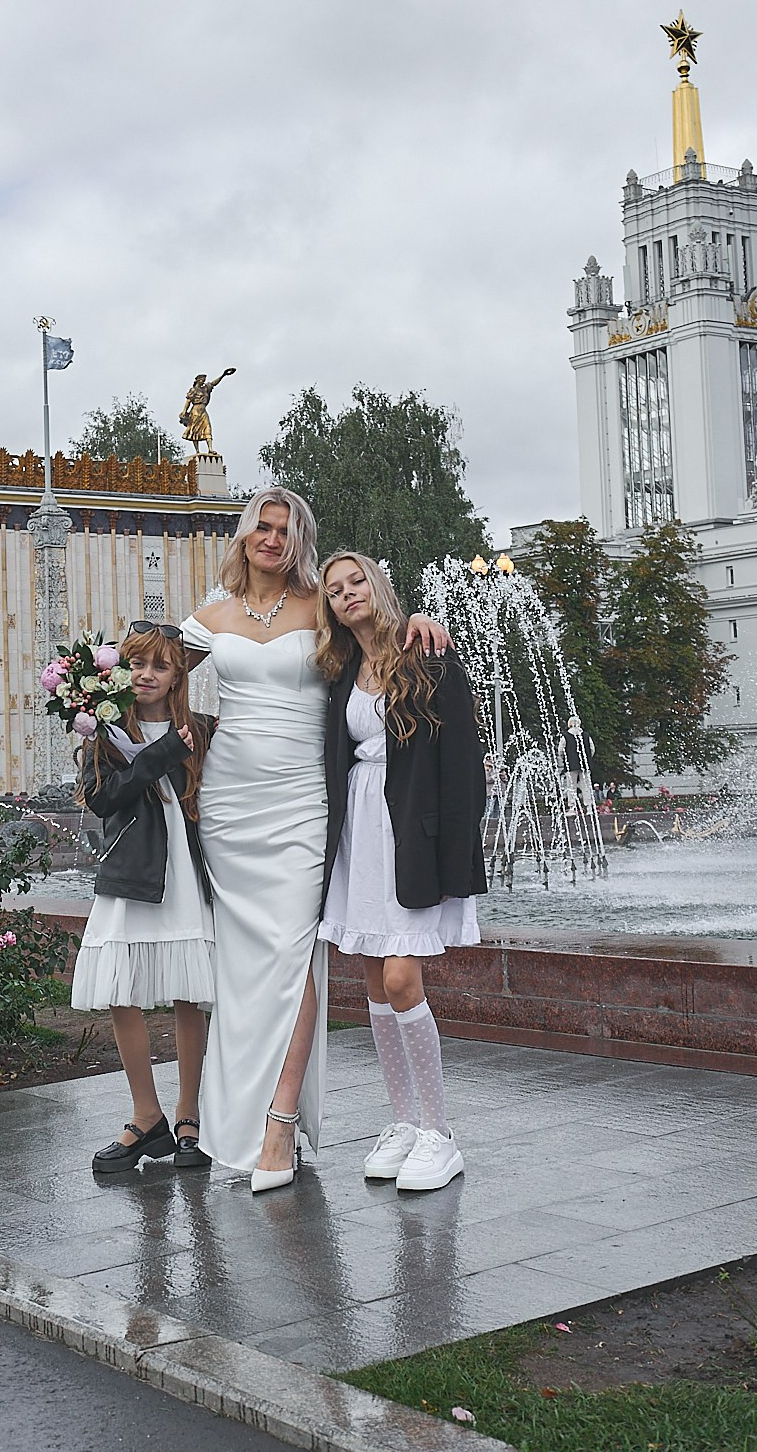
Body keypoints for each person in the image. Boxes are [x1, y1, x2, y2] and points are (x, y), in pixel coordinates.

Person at [180, 487, 447, 1190]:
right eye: (262, 527)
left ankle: (280, 1122)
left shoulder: (319, 607)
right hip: (231, 804)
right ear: (244, 536)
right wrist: (110, 703)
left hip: (304, 800)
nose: (273, 539)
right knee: (242, 968)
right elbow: (153, 675)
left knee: (296, 954)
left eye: (286, 529)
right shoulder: (210, 616)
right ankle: (223, 1119)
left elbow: (374, 626)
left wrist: (419, 618)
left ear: (301, 541)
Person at [316, 552, 485, 1194]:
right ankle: (405, 1122)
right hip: (358, 832)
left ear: (379, 585)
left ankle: (440, 1133)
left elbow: (464, 764)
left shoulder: (428, 656)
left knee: (401, 978)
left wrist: (455, 853)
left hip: (411, 831)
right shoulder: (341, 671)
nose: (347, 593)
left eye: (356, 580)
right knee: (372, 981)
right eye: (335, 589)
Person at [73, 620, 216, 1175]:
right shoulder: (105, 730)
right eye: (136, 664)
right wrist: (158, 756)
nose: (147, 674)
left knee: (189, 993)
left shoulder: (201, 730)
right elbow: (102, 799)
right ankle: (145, 1115)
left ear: (178, 674)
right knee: (120, 990)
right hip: (132, 873)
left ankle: (189, 1117)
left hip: (185, 872)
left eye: (160, 665)